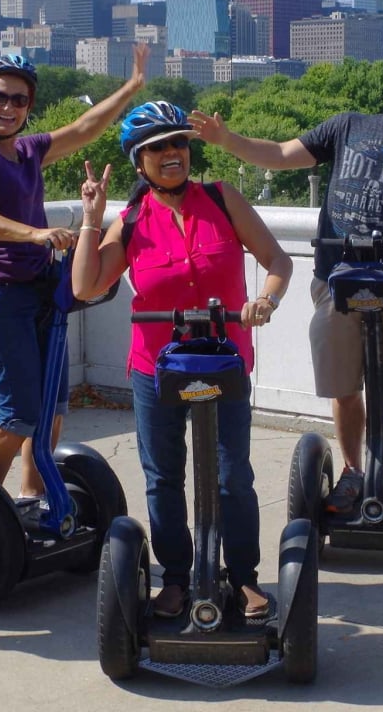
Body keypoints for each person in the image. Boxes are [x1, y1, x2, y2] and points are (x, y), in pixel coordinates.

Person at [191, 43, 383, 519]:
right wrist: (229, 140)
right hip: (335, 281)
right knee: (345, 389)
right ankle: (352, 471)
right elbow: (283, 155)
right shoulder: (348, 126)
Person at [72, 101, 292, 620]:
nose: (172, 154)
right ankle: (176, 577)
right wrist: (88, 219)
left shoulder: (223, 199)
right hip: (158, 369)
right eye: (157, 147)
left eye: (178, 143)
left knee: (231, 474)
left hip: (224, 360)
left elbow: (278, 261)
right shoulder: (129, 222)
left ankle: (241, 578)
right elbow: (85, 286)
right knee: (163, 476)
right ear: (139, 161)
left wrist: (266, 300)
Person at [0, 44, 146, 498]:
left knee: (52, 408)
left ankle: (32, 500)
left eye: (19, 100)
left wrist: (131, 87)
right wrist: (35, 234)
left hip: (40, 290)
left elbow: (84, 127)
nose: (7, 107)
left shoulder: (29, 150)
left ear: (28, 107)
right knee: (19, 410)